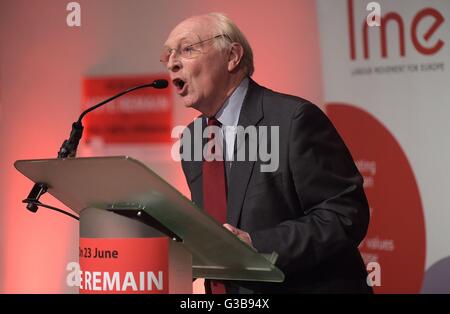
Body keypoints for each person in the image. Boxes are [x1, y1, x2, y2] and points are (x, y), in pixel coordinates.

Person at [161, 12, 372, 293]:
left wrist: (256, 245)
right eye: (168, 55)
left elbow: (345, 214)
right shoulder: (192, 139)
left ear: (232, 56)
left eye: (187, 49)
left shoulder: (294, 119)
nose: (173, 63)